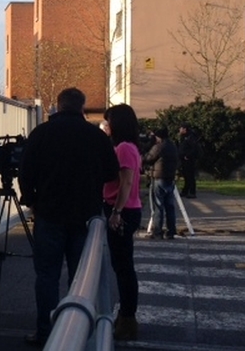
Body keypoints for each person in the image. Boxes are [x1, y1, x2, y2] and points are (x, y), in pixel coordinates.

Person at [18, 87, 120, 346]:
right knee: (83, 278)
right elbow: (111, 173)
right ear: (82, 106)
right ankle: (80, 333)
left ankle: (46, 332)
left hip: (49, 213)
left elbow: (25, 171)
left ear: (59, 105)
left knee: (47, 276)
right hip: (85, 215)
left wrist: (31, 200)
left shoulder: (42, 133)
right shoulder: (95, 136)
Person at [102, 104, 142, 341]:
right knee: (122, 265)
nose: (106, 126)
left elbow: (126, 182)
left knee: (124, 267)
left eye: (108, 122)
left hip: (123, 210)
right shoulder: (129, 147)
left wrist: (116, 211)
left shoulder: (124, 148)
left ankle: (127, 318)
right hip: (127, 208)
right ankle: (125, 315)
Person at [142, 127, 179, 239]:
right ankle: (171, 231)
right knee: (170, 206)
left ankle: (157, 231)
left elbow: (148, 158)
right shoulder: (172, 146)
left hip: (159, 177)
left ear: (158, 137)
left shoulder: (159, 147)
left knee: (158, 206)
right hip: (170, 177)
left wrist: (146, 150)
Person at [178, 123, 200, 198]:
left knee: (190, 176)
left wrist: (187, 156)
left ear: (185, 129)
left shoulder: (191, 137)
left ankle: (192, 192)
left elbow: (194, 148)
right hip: (184, 159)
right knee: (186, 176)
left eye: (181, 128)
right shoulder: (185, 137)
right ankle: (185, 191)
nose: (179, 130)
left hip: (189, 160)